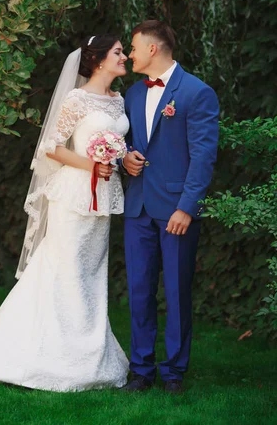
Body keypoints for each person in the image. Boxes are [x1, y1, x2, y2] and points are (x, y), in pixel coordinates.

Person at [0, 35, 130, 392]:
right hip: (75, 194)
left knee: (91, 273)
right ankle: (46, 357)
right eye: (118, 52)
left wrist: (121, 158)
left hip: (102, 196)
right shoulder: (76, 99)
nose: (124, 57)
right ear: (97, 60)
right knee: (67, 270)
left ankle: (90, 353)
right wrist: (92, 165)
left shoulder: (118, 100)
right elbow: (52, 147)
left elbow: (116, 145)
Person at [121, 20, 219, 394]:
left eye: (133, 48)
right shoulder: (131, 94)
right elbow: (125, 145)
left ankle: (174, 372)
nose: (129, 54)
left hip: (177, 209)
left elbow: (203, 157)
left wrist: (187, 207)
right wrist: (124, 160)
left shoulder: (197, 93)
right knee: (140, 291)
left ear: (152, 49)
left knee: (177, 292)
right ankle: (141, 370)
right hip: (138, 207)